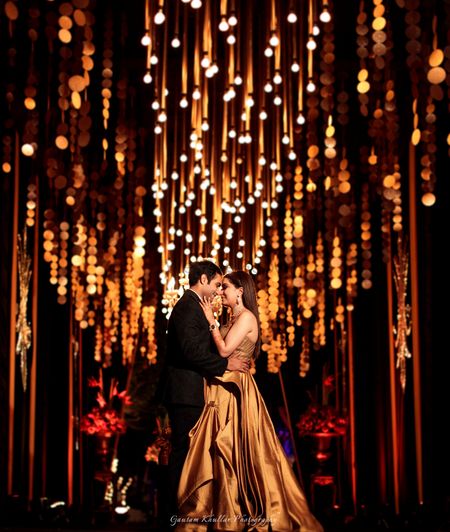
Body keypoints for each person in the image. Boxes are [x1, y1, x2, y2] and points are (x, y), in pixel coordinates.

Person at [176, 271, 323, 532]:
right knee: (217, 451)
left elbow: (223, 350)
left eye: (226, 288)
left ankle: (238, 513)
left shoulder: (246, 318)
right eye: (220, 288)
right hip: (218, 387)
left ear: (240, 291)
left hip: (235, 390)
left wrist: (211, 322)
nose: (221, 292)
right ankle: (220, 510)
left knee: (233, 447)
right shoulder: (232, 318)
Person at [161, 261, 250, 525]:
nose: (217, 291)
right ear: (202, 279)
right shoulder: (188, 307)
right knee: (184, 457)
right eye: (216, 284)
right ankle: (176, 519)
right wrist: (226, 364)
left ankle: (189, 518)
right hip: (186, 394)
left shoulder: (195, 307)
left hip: (194, 393)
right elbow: (191, 352)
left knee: (191, 457)